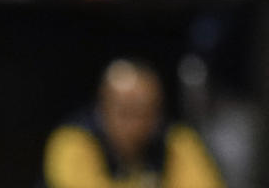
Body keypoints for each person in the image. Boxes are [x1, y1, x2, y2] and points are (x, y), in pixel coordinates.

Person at [42, 58, 225, 188]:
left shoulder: (176, 140)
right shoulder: (74, 139)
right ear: (103, 109)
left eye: (146, 112)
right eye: (126, 112)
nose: (136, 124)